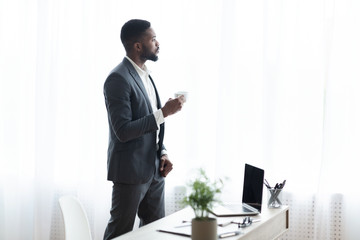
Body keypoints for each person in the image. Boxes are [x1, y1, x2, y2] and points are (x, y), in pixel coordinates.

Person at [103, 19, 186, 240]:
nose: (158, 43)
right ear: (138, 45)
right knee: (119, 233)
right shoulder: (117, 79)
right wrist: (164, 112)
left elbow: (151, 126)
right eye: (153, 39)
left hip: (155, 171)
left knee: (155, 233)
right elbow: (123, 130)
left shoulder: (146, 75)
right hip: (130, 173)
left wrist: (163, 152)